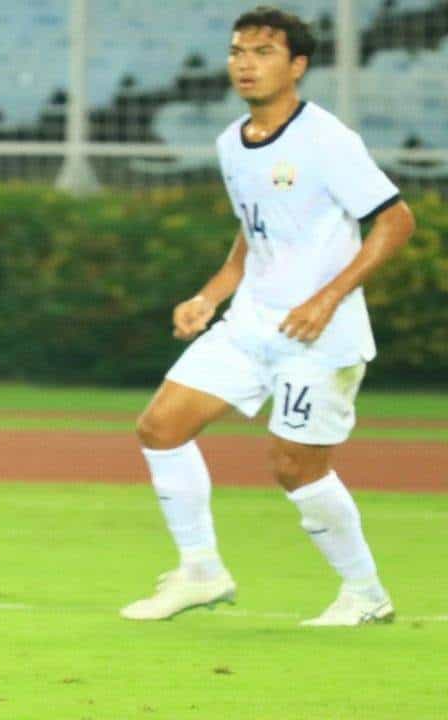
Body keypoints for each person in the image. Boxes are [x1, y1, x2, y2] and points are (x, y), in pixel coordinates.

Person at [121, 6, 415, 626]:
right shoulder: (232, 141)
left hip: (319, 336)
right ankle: (200, 571)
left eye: (262, 52)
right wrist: (211, 295)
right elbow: (254, 234)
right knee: (161, 428)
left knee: (295, 469)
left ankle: (365, 594)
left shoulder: (327, 139)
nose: (245, 64)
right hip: (251, 325)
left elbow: (396, 221)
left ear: (297, 65)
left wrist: (326, 298)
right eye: (237, 52)